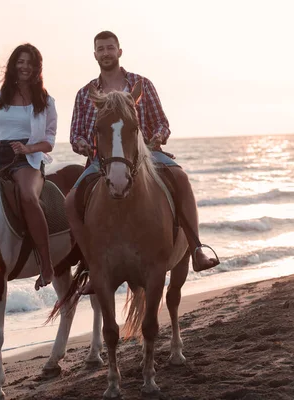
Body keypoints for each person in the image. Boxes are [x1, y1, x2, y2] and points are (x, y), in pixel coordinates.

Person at [65, 31, 219, 294]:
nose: (105, 53)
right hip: (102, 160)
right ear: (94, 55)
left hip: (146, 153)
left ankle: (196, 249)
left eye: (110, 48)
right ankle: (93, 265)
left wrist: (156, 137)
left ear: (119, 52)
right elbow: (76, 133)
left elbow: (161, 122)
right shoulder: (85, 94)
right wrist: (82, 144)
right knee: (70, 201)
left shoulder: (142, 84)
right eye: (100, 49)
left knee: (180, 179)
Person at [0, 43, 57, 291]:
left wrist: (28, 149)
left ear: (36, 68)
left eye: (30, 63)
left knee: (27, 197)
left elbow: (49, 142)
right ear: (13, 65)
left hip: (27, 159)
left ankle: (46, 264)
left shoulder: (45, 101)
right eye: (20, 62)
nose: (25, 67)